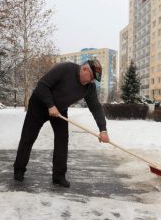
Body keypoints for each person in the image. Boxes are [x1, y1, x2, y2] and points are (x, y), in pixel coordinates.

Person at [13, 59, 110, 187]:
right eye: (91, 77)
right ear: (85, 69)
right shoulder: (65, 69)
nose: (91, 81)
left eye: (93, 80)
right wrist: (50, 105)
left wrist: (103, 129)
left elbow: (95, 107)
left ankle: (59, 175)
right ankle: (19, 171)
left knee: (62, 139)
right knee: (28, 137)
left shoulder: (89, 87)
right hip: (39, 105)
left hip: (59, 110)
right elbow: (42, 85)